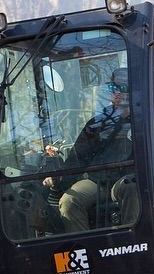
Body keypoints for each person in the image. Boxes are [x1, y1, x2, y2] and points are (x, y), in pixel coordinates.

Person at [44, 70, 134, 233]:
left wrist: (124, 118)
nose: (116, 92)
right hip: (98, 181)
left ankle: (133, 241)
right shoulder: (98, 122)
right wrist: (59, 178)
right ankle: (83, 249)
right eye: (113, 88)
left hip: (126, 179)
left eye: (122, 87)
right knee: (69, 201)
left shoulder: (142, 119)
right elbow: (78, 156)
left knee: (131, 185)